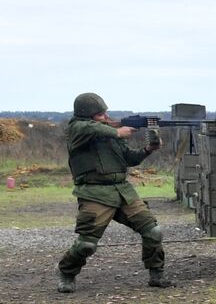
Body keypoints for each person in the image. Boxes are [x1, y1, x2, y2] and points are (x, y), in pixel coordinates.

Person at [57, 92, 172, 293]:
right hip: (95, 193)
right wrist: (118, 131)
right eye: (100, 114)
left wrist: (148, 149)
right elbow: (88, 128)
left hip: (123, 191)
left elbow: (129, 158)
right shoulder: (78, 128)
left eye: (105, 113)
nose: (105, 117)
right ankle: (66, 272)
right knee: (86, 244)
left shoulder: (108, 132)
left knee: (153, 231)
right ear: (87, 115)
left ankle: (156, 274)